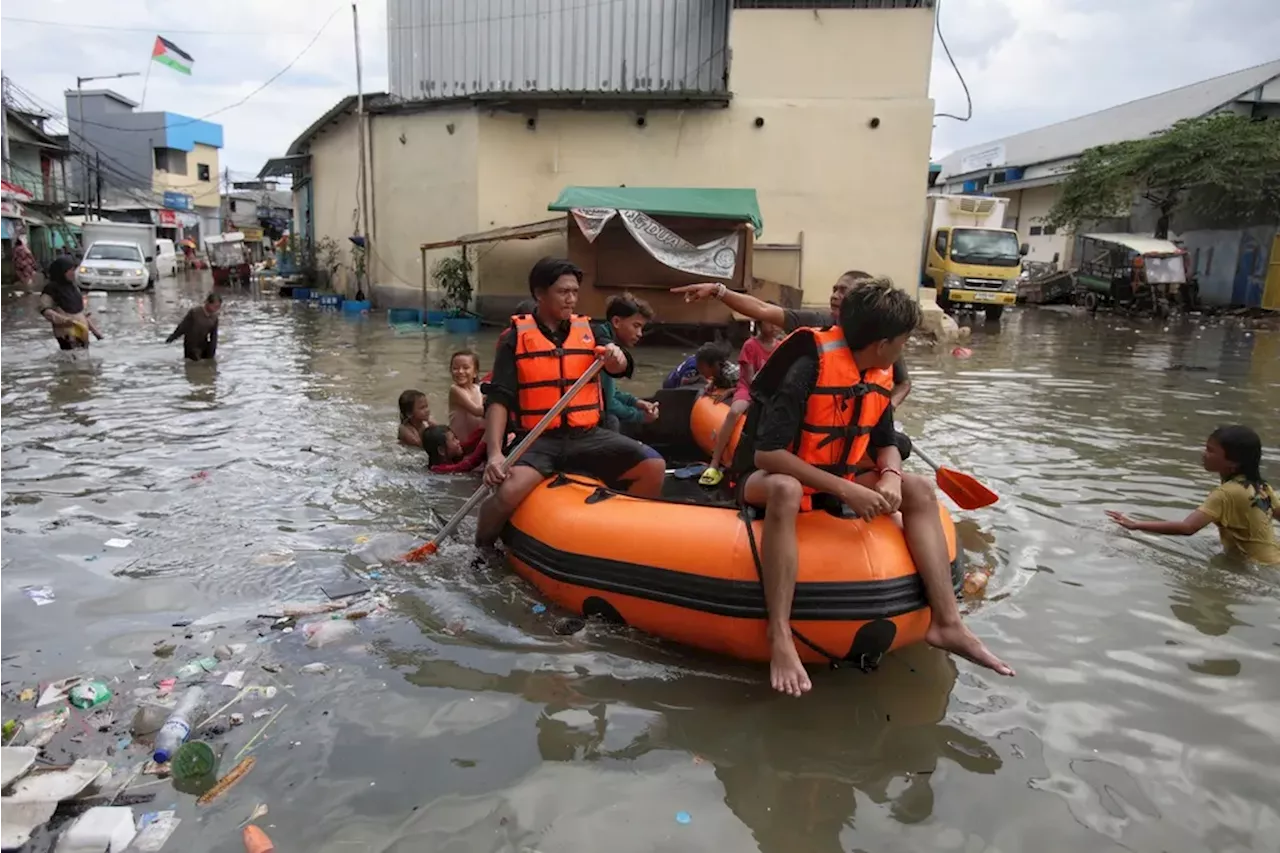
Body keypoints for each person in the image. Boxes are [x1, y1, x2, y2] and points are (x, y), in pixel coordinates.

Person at [734, 278, 1012, 696]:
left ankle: (948, 623)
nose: (905, 349)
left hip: (834, 475)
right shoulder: (808, 367)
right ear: (883, 343)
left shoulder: (875, 374)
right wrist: (848, 491)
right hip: (768, 480)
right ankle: (779, 633)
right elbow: (767, 455)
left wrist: (890, 476)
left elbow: (885, 444)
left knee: (917, 487)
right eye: (904, 340)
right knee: (787, 489)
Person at [475, 257, 666, 547]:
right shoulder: (514, 340)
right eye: (563, 292)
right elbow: (498, 399)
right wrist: (494, 455)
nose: (571, 299)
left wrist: (616, 357)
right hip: (538, 440)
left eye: (575, 292)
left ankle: (627, 535)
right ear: (540, 294)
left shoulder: (591, 332)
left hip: (586, 436)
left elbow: (620, 367)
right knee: (506, 495)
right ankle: (481, 550)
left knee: (653, 467)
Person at [673, 271, 912, 407]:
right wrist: (718, 290)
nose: (834, 296)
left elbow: (903, 383)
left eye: (843, 291)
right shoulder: (818, 322)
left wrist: (885, 409)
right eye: (834, 289)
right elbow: (761, 309)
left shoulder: (883, 341)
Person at [1107, 425, 1280, 565]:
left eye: (1210, 450)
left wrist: (1136, 525)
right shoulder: (1262, 487)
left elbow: (1188, 528)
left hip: (1258, 567)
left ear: (1233, 463)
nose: (1204, 454)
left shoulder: (1225, 494)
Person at [699, 310, 782, 487]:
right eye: (769, 322)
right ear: (759, 323)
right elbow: (751, 379)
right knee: (734, 412)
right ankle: (715, 462)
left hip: (771, 391)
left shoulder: (781, 346)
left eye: (777, 322)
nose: (774, 326)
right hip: (750, 389)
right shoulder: (750, 345)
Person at [597, 292, 659, 432]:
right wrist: (640, 417)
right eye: (636, 326)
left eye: (641, 328)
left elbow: (609, 393)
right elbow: (609, 404)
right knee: (611, 420)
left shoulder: (605, 339)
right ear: (616, 322)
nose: (639, 333)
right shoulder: (606, 350)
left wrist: (636, 402)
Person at [39, 256, 103, 350]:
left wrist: (96, 332)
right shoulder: (51, 289)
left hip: (82, 333)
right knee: (71, 359)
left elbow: (82, 314)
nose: (73, 273)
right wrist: (65, 320)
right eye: (70, 270)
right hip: (66, 335)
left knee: (83, 359)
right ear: (61, 271)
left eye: (74, 270)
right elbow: (45, 310)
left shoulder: (74, 288)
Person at [662, 342, 739, 392]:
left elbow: (747, 389)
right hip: (670, 386)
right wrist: (712, 383)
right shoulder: (714, 370)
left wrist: (730, 391)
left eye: (701, 367)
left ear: (713, 365)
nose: (700, 370)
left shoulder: (731, 374)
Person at [166, 292, 221, 361]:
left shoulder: (214, 318)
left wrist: (211, 355)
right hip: (191, 345)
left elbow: (214, 337)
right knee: (194, 365)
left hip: (204, 345)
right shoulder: (194, 313)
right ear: (207, 303)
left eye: (218, 307)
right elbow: (182, 327)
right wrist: (172, 338)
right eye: (214, 306)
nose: (216, 309)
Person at [448, 350, 486, 441]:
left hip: (475, 441)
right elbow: (477, 411)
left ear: (475, 372)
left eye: (465, 368)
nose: (460, 371)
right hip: (459, 444)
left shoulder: (478, 389)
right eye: (455, 368)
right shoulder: (455, 390)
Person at [421, 424, 488, 474]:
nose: (458, 441)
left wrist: (487, 428)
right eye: (453, 439)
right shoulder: (438, 469)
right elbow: (468, 464)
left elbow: (468, 445)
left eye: (456, 438)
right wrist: (485, 441)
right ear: (441, 451)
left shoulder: (450, 455)